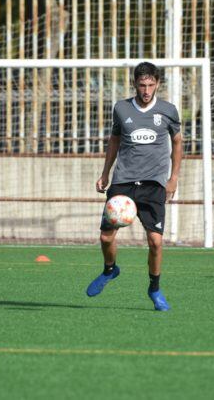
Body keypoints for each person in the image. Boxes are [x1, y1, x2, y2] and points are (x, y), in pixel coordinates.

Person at [86, 61, 182, 312]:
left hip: (153, 184)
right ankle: (110, 270)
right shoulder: (121, 108)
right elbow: (115, 140)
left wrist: (173, 178)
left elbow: (178, 143)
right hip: (123, 181)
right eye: (142, 85)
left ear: (158, 84)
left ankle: (155, 289)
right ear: (135, 85)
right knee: (106, 237)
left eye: (151, 85)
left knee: (155, 242)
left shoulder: (168, 111)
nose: (147, 90)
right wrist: (105, 173)